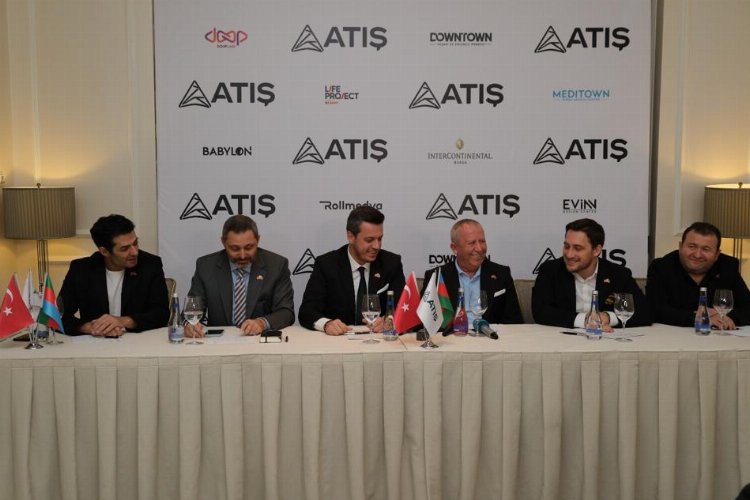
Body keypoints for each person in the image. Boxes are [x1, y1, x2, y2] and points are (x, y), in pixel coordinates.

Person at [298, 205, 405, 335]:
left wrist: (391, 320)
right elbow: (307, 311)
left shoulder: (391, 263)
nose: (377, 246)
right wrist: (326, 324)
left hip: (379, 340)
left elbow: (405, 309)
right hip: (338, 341)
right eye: (369, 240)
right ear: (351, 236)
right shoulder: (327, 264)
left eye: (380, 239)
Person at [59, 214, 169, 336]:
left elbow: (162, 314)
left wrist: (124, 321)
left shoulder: (150, 264)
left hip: (137, 340)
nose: (134, 252)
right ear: (104, 251)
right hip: (96, 341)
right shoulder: (81, 269)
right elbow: (58, 315)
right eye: (125, 248)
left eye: (135, 243)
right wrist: (90, 327)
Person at [532, 218, 651, 329]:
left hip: (606, 340)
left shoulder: (618, 274)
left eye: (577, 248)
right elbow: (541, 312)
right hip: (562, 340)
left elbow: (645, 312)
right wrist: (586, 320)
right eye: (567, 246)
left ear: (596, 250)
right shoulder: (550, 270)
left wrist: (608, 317)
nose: (569, 254)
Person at [186, 215, 294, 336]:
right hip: (218, 341)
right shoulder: (206, 266)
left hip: (258, 340)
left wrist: (262, 323)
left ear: (258, 240)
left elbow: (286, 312)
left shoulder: (276, 266)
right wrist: (190, 324)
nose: (242, 255)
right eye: (235, 248)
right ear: (223, 242)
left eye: (249, 247)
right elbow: (192, 309)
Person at [646, 221, 750, 328]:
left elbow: (748, 307)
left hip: (718, 334)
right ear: (680, 247)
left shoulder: (727, 266)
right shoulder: (661, 267)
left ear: (717, 254)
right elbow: (654, 309)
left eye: (706, 249)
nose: (697, 255)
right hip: (672, 334)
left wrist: (726, 317)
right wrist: (700, 319)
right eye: (692, 246)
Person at [423, 219, 523, 326]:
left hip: (491, 335)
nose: (479, 248)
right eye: (472, 243)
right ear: (455, 248)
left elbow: (514, 322)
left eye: (482, 241)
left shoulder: (502, 274)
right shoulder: (436, 277)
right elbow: (425, 323)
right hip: (452, 335)